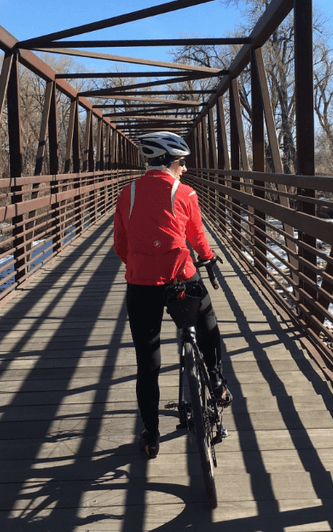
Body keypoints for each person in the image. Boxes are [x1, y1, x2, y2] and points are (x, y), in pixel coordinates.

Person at [113, 131, 231, 459]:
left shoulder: (128, 193)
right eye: (181, 162)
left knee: (147, 362)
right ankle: (218, 382)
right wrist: (207, 258)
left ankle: (151, 436)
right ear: (168, 162)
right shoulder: (186, 193)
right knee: (207, 324)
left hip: (141, 284)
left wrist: (140, 264)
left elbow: (120, 244)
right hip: (182, 277)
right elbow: (197, 237)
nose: (185, 168)